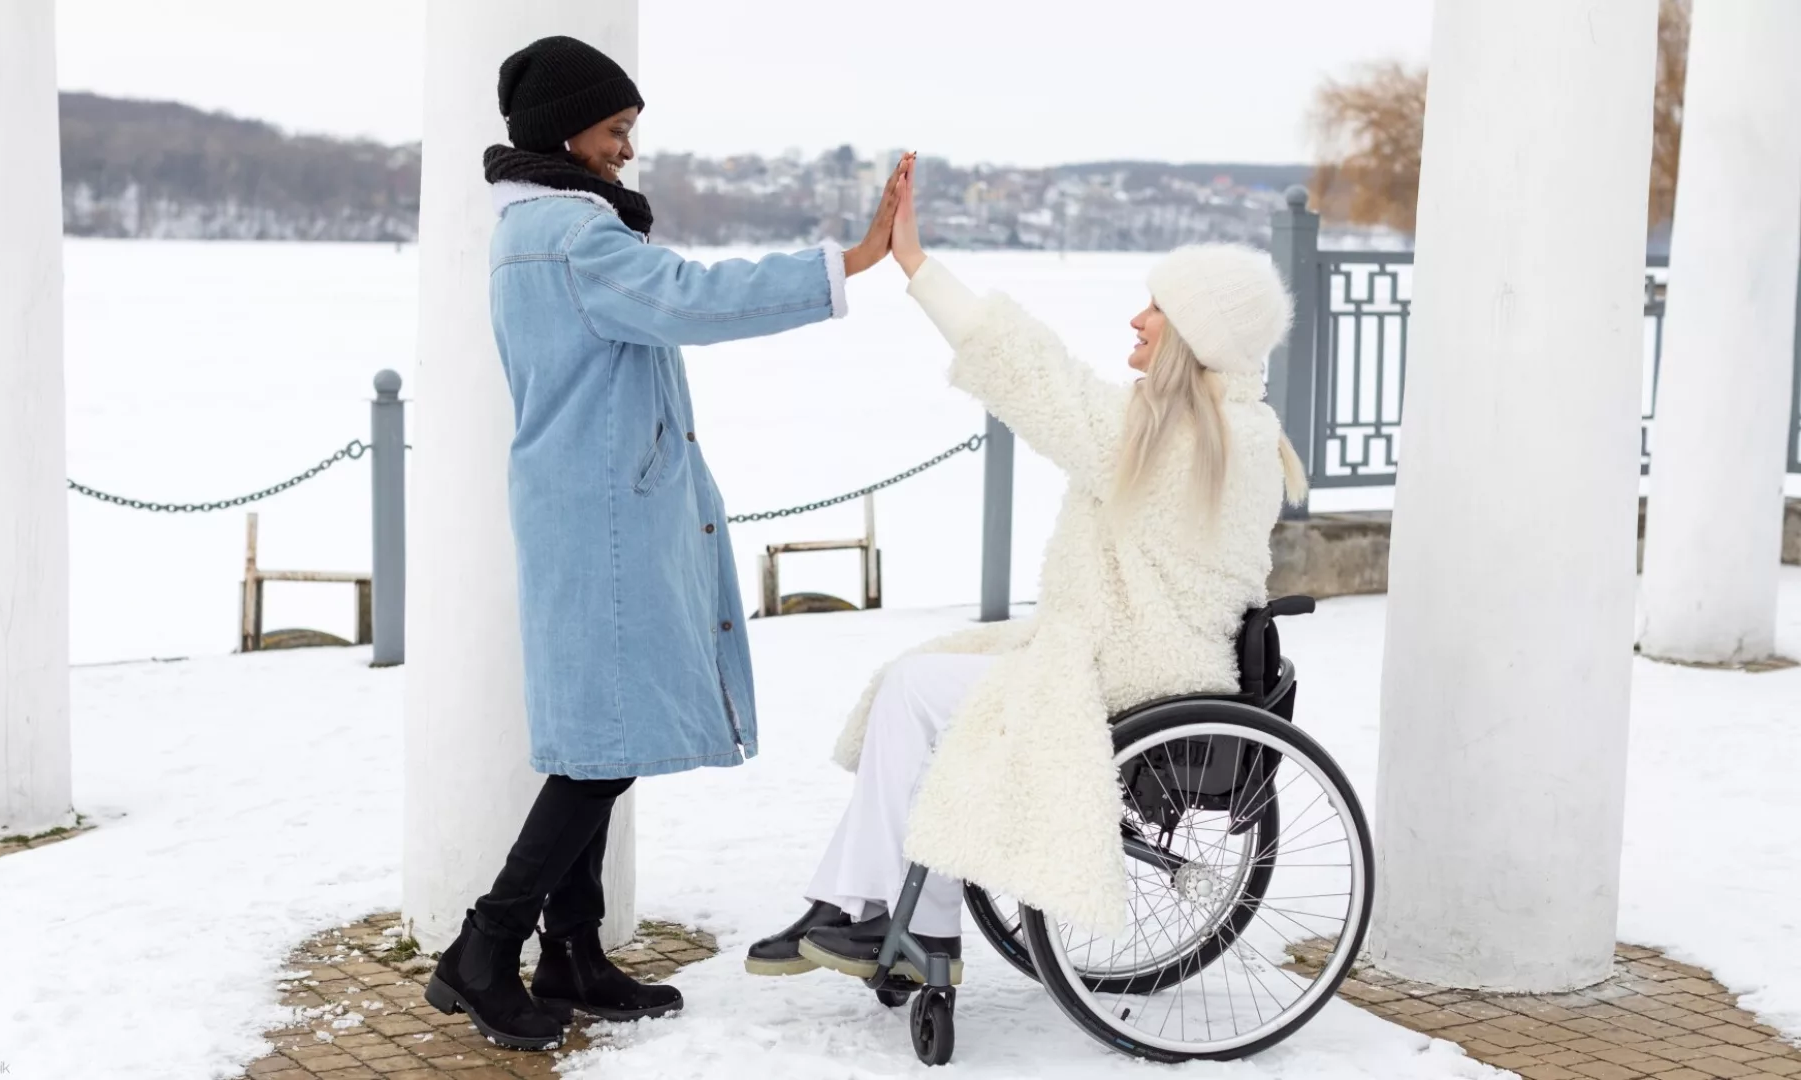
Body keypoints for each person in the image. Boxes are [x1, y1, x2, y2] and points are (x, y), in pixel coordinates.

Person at [422, 35, 910, 1051]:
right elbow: (693, 300)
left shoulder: (540, 230)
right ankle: (485, 946)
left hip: (588, 505)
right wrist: (848, 262)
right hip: (601, 516)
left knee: (603, 737)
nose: (627, 150)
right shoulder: (572, 237)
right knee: (598, 755)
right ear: (567, 130)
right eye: (616, 130)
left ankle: (572, 952)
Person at [745, 162, 1310, 980]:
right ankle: (863, 906)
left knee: (920, 696)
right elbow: (1063, 391)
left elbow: (1041, 382)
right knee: (914, 678)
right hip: (1108, 651)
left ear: (1198, 337)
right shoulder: (1212, 428)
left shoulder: (1198, 439)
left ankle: (901, 920)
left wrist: (917, 267)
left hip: (1135, 671)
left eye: (1160, 308)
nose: (1139, 318)